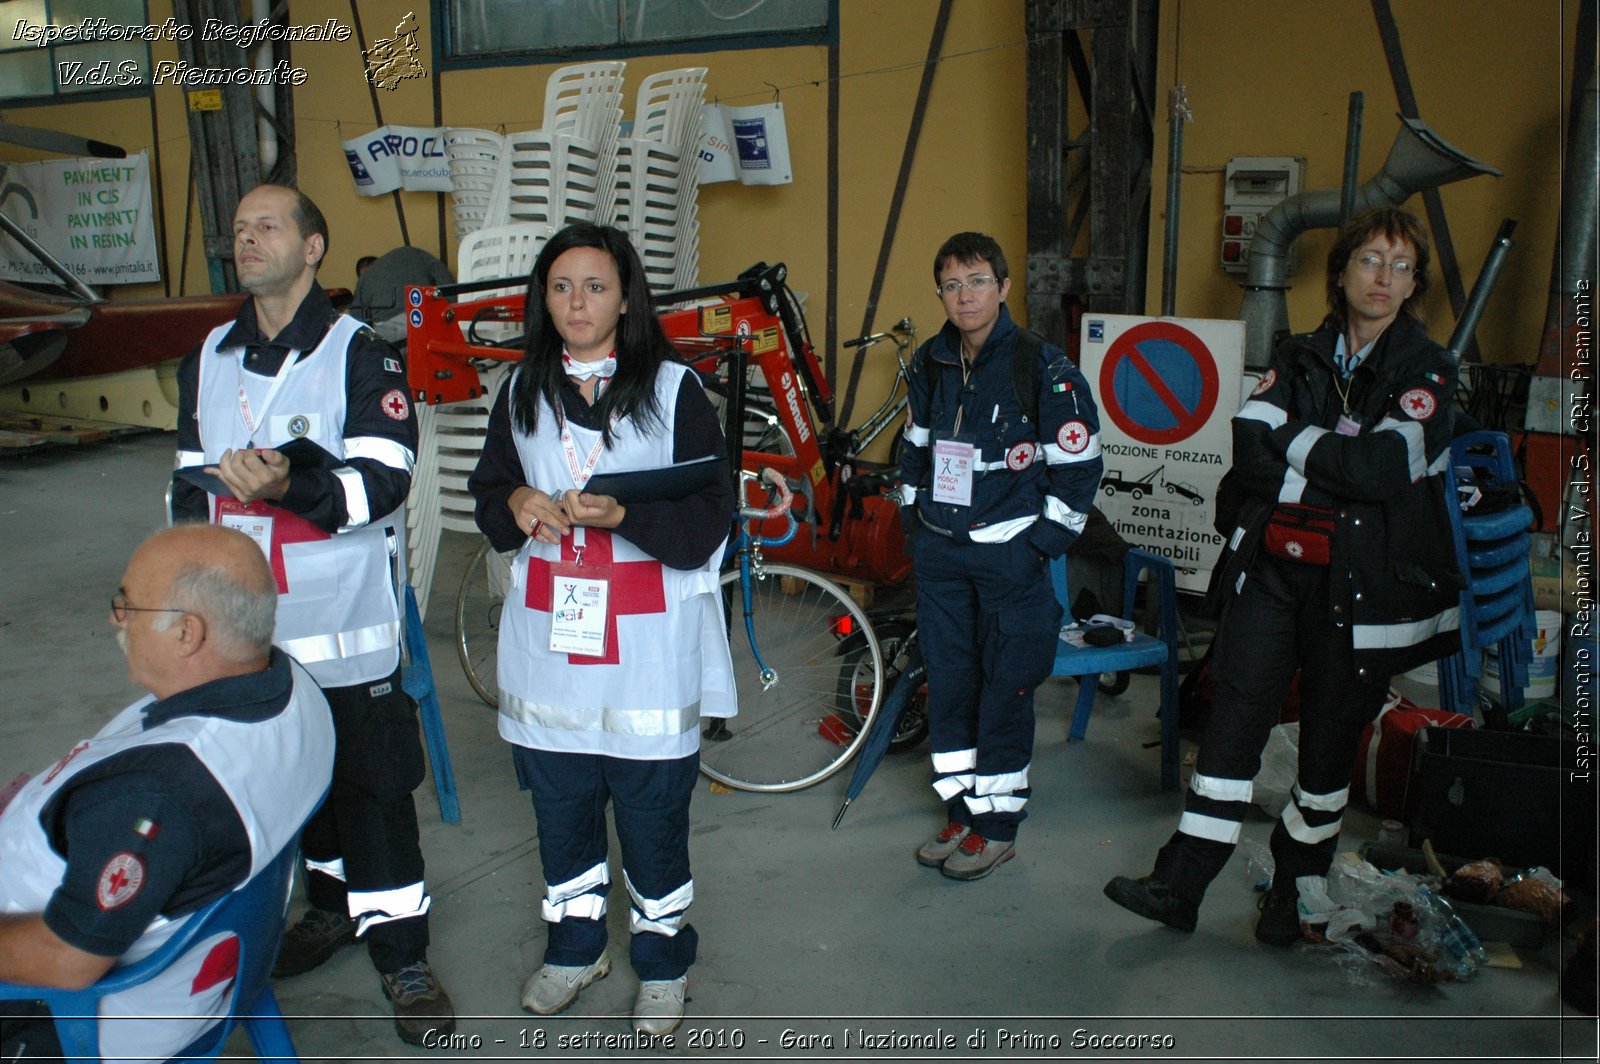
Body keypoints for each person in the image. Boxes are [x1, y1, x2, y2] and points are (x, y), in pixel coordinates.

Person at [1104, 206, 1462, 944]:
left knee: (1330, 745)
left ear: (1413, 283)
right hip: (1273, 571)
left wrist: (1295, 441)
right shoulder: (1299, 355)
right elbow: (1248, 448)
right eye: (1370, 260)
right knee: (1234, 719)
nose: (1384, 277)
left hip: (1359, 591)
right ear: (1341, 272)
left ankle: (1292, 897)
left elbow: (1383, 469)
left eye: (1400, 266)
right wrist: (1327, 458)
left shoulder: (1428, 370)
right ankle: (1179, 885)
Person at [170, 184, 453, 1043]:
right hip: (246, 636)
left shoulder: (357, 354)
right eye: (239, 225)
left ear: (315, 246)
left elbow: (385, 478)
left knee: (372, 795)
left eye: (267, 227)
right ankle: (329, 909)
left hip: (345, 634)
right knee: (288, 795)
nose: (245, 238)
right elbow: (187, 485)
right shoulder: (208, 356)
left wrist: (293, 485)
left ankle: (402, 952)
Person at [467, 222, 734, 1036]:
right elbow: (490, 489)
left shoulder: (675, 390)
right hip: (552, 640)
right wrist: (513, 503)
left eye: (594, 286)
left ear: (625, 297)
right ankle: (576, 946)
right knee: (560, 802)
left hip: (646, 646)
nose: (576, 303)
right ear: (541, 299)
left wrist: (626, 514)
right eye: (560, 287)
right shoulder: (519, 391)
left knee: (652, 810)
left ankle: (661, 962)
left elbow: (711, 515)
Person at [0, 525, 334, 1062]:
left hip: (63, 1013)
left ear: (186, 633)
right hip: (213, 957)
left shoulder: (158, 794)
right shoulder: (293, 688)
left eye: (127, 606)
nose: (115, 618)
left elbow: (67, 961)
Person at [898, 231, 1103, 880]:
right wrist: (916, 527)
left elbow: (1080, 469)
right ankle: (962, 811)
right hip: (942, 560)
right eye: (953, 285)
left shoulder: (1041, 369)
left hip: (1010, 562)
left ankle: (998, 825)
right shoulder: (932, 361)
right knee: (951, 688)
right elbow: (915, 445)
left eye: (978, 281)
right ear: (941, 294)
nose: (966, 296)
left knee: (1005, 689)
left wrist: (1037, 547)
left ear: (1005, 287)